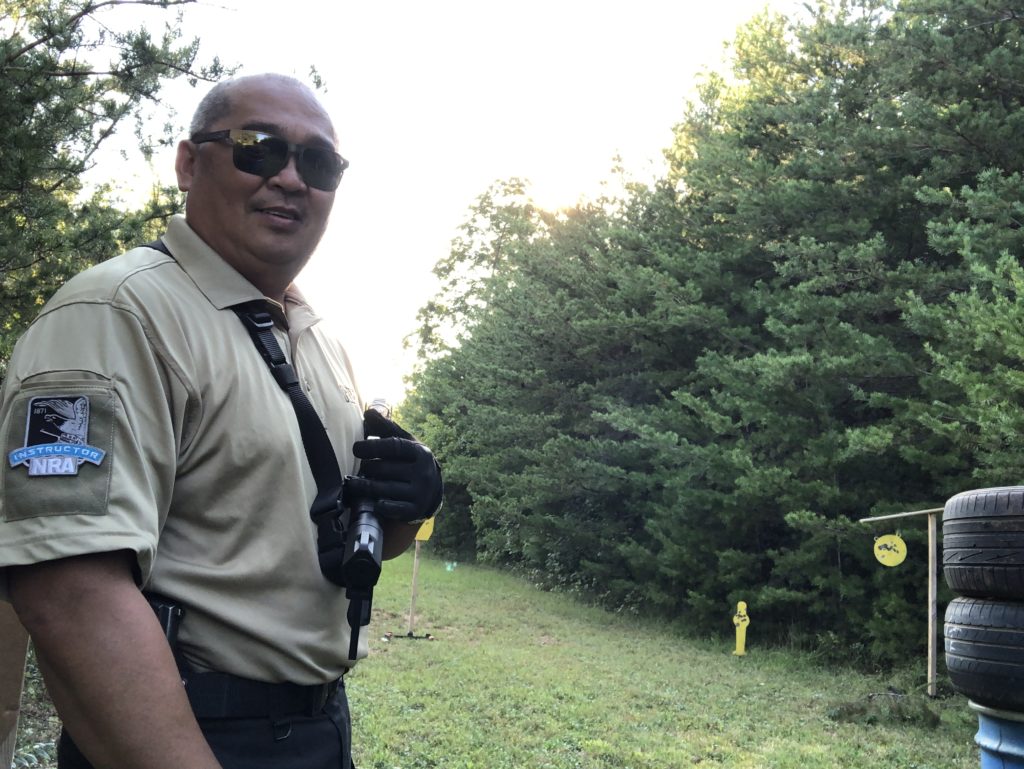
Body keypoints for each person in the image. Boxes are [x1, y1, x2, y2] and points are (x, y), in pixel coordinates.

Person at [0, 73, 442, 769]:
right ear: (187, 163)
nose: (292, 178)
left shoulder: (320, 340)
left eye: (319, 163)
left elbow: (318, 547)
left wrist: (402, 511)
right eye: (258, 149)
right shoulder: (116, 315)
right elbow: (68, 591)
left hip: (320, 725)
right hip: (184, 733)